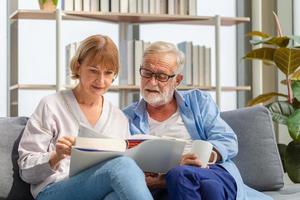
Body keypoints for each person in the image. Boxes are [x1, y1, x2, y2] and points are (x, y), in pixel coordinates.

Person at [123, 41, 272, 200]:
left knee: (190, 178)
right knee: (204, 187)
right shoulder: (127, 118)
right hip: (166, 185)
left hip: (209, 170)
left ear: (177, 80)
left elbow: (227, 140)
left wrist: (203, 157)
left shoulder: (198, 101)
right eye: (147, 73)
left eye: (161, 76)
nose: (152, 82)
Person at [18, 35, 153, 200]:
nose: (101, 80)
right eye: (93, 71)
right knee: (122, 165)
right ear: (78, 66)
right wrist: (56, 156)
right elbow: (25, 170)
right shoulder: (51, 105)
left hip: (99, 191)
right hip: (53, 191)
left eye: (108, 73)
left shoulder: (118, 118)